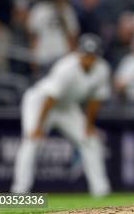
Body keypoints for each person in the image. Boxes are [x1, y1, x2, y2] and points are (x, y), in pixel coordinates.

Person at [11, 34, 111, 196]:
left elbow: (95, 101)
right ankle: (19, 191)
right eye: (86, 55)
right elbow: (50, 99)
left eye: (93, 56)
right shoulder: (67, 67)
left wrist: (89, 126)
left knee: (90, 140)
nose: (89, 59)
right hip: (40, 103)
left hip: (66, 107)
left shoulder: (102, 69)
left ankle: (101, 190)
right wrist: (38, 127)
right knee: (31, 141)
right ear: (79, 52)